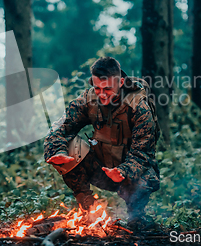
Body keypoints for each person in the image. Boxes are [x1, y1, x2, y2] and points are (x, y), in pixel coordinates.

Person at [44, 57, 160, 232]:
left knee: (145, 175)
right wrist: (58, 151)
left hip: (129, 173)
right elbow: (61, 128)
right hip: (101, 168)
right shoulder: (88, 99)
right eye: (97, 88)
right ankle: (89, 211)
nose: (102, 94)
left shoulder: (139, 107)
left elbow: (142, 153)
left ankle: (137, 216)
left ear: (121, 82)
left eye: (107, 89)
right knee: (69, 147)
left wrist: (123, 171)